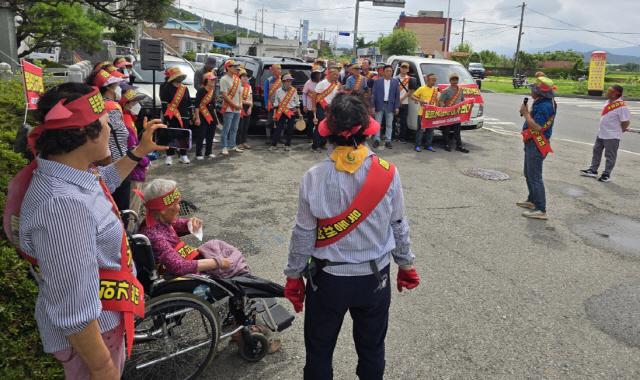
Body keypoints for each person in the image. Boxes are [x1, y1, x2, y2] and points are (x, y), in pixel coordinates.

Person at [16, 82, 165, 379]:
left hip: (108, 315)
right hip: (97, 337)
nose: (111, 129)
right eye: (105, 123)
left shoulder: (71, 172)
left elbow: (102, 186)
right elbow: (74, 308)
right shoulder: (62, 206)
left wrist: (138, 152)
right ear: (85, 134)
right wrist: (102, 368)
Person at [284, 93, 420, 380]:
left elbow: (304, 233)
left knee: (319, 351)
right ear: (368, 129)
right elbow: (398, 224)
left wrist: (294, 274)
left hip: (328, 280)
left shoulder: (313, 176)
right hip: (374, 279)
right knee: (372, 350)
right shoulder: (388, 172)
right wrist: (406, 265)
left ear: (329, 132)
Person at [87, 69, 134, 212]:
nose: (119, 88)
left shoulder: (96, 105)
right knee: (120, 209)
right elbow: (121, 136)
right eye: (117, 85)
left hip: (102, 165)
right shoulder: (111, 107)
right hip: (116, 165)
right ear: (108, 88)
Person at [517, 76, 557, 220]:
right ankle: (532, 200)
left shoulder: (544, 106)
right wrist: (527, 113)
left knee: (535, 176)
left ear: (540, 93)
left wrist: (526, 114)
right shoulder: (542, 102)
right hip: (532, 142)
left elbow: (538, 127)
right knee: (528, 173)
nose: (531, 91)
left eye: (534, 89)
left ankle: (541, 208)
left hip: (537, 143)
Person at [579, 85, 631, 182]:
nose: (607, 92)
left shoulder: (622, 106)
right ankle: (593, 170)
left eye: (610, 91)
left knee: (610, 156)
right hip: (601, 132)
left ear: (616, 94)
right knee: (596, 151)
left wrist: (622, 129)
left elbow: (626, 122)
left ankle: (606, 174)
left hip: (612, 135)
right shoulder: (608, 102)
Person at [119, 86, 150, 216]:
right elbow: (132, 149)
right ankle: (131, 234)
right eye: (133, 102)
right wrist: (146, 161)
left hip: (133, 169)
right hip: (134, 171)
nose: (136, 105)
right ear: (126, 104)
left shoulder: (128, 118)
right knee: (133, 209)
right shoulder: (126, 121)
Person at [160, 66, 193, 165]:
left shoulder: (184, 88)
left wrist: (191, 115)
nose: (180, 79)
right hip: (172, 116)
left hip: (184, 116)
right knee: (171, 135)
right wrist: (166, 118)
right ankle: (169, 156)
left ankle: (183, 155)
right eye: (178, 77)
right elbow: (164, 104)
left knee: (183, 136)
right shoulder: (165, 88)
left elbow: (189, 102)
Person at [311, 68, 341, 152]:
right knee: (319, 126)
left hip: (331, 108)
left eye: (338, 75)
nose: (336, 77)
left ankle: (322, 143)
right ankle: (315, 145)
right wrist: (313, 106)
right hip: (321, 107)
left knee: (328, 126)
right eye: (335, 75)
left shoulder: (337, 84)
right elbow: (314, 95)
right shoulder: (322, 83)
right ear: (330, 74)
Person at [438, 73, 469, 153]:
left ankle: (459, 146)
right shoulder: (446, 91)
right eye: (453, 80)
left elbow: (462, 100)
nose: (455, 81)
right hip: (448, 114)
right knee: (446, 130)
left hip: (457, 114)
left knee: (457, 131)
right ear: (450, 81)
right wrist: (445, 108)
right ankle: (446, 144)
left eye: (456, 80)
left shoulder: (460, 90)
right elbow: (441, 101)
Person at [371, 65, 400, 149]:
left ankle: (388, 140)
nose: (389, 72)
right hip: (379, 104)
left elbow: (396, 95)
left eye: (390, 71)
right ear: (383, 72)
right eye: (387, 71)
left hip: (390, 105)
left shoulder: (395, 82)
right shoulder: (377, 81)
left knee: (389, 124)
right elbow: (373, 95)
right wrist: (373, 106)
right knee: (377, 123)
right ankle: (377, 139)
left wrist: (397, 107)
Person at [219, 60, 244, 156]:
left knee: (235, 128)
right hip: (229, 108)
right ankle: (223, 146)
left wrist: (240, 104)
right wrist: (234, 105)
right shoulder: (224, 79)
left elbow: (240, 93)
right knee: (226, 128)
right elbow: (224, 95)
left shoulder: (237, 79)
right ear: (228, 68)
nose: (235, 68)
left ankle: (232, 145)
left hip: (237, 108)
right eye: (233, 66)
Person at [270, 74, 300, 152]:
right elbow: (276, 104)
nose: (289, 83)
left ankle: (288, 145)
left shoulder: (294, 90)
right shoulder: (278, 91)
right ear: (283, 82)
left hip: (291, 111)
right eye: (287, 81)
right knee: (278, 128)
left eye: (290, 81)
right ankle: (273, 144)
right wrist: (274, 114)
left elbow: (297, 102)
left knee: (290, 129)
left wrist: (299, 113)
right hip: (281, 111)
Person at [411, 73, 440, 152]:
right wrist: (420, 101)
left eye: (435, 80)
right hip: (422, 113)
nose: (434, 81)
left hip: (432, 113)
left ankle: (428, 145)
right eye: (432, 79)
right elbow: (413, 96)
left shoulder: (436, 90)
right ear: (427, 80)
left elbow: (437, 101)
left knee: (430, 130)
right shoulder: (422, 88)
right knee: (420, 130)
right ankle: (417, 145)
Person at [193, 72, 218, 159]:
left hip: (211, 115)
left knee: (210, 135)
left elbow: (214, 106)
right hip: (202, 115)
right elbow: (196, 106)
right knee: (201, 135)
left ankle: (208, 152)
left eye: (214, 80)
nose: (213, 81)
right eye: (211, 80)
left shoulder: (212, 91)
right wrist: (197, 118)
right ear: (206, 81)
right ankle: (198, 153)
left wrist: (217, 119)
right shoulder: (201, 91)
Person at [394, 62, 418, 143]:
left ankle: (402, 138)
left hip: (405, 102)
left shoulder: (410, 79)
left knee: (403, 121)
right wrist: (398, 100)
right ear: (400, 68)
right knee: (393, 120)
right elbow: (392, 91)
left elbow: (411, 91)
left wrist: (401, 99)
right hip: (395, 103)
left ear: (408, 69)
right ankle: (394, 137)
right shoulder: (395, 78)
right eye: (402, 67)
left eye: (405, 68)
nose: (404, 69)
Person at [302, 69, 323, 143]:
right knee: (310, 122)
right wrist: (304, 105)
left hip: (319, 106)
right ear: (314, 75)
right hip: (310, 106)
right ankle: (310, 136)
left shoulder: (321, 82)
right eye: (318, 74)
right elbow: (304, 94)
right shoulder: (308, 83)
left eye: (320, 74)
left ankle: (319, 137)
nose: (319, 75)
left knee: (320, 122)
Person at [237, 69, 253, 150]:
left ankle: (244, 142)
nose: (245, 78)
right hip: (240, 107)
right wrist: (248, 103)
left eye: (246, 77)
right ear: (239, 78)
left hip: (247, 107)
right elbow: (238, 99)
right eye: (243, 77)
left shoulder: (249, 87)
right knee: (240, 126)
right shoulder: (237, 87)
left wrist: (250, 107)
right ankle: (239, 143)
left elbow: (251, 98)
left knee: (246, 126)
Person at [264, 63, 283, 133]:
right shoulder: (268, 81)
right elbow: (265, 93)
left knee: (281, 121)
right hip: (271, 104)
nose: (280, 70)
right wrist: (266, 104)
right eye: (278, 69)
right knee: (270, 121)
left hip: (281, 104)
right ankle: (268, 137)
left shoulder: (283, 80)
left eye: (280, 69)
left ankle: (279, 137)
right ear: (273, 71)